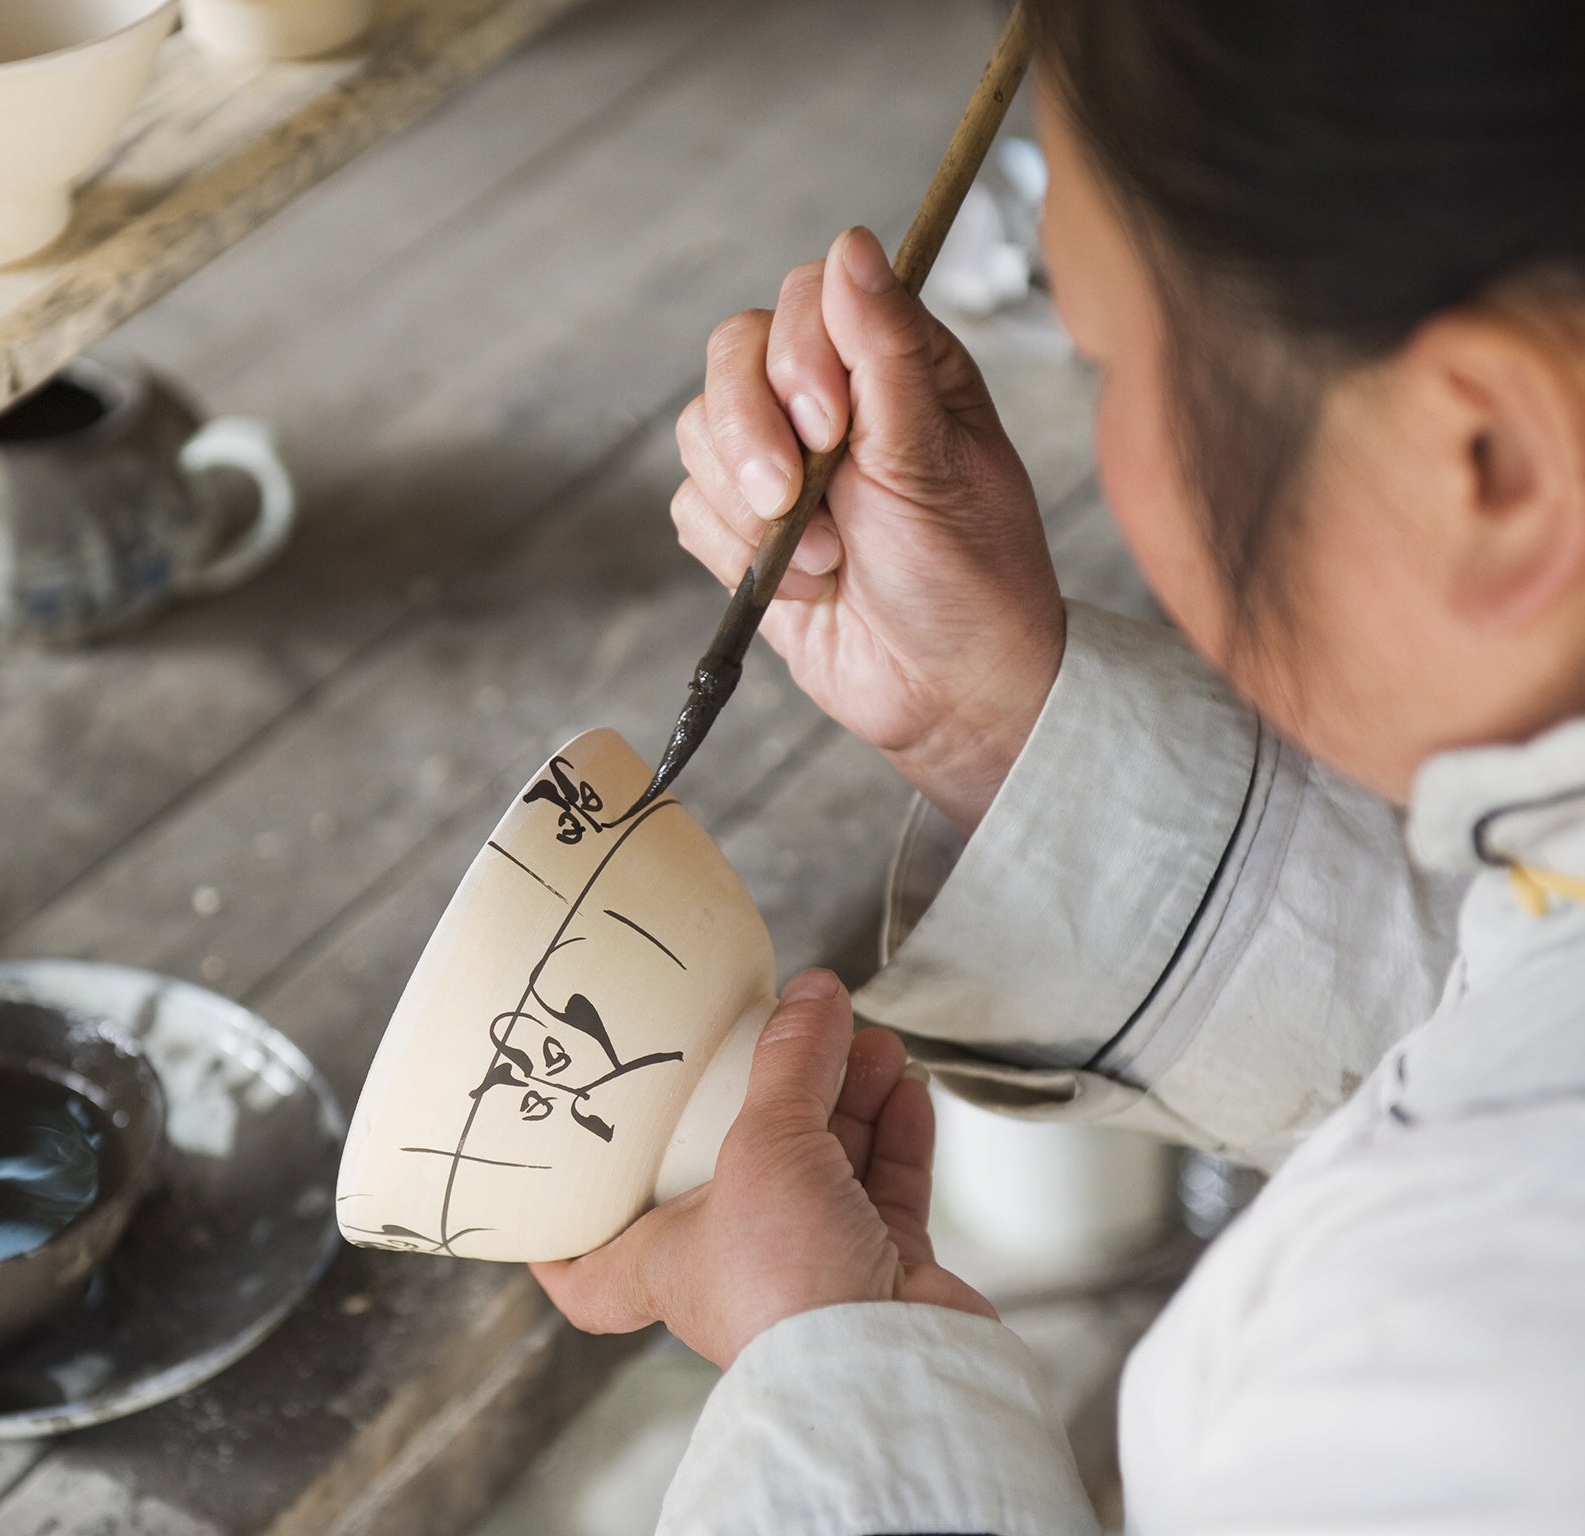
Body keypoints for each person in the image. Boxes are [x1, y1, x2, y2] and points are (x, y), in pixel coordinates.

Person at [528, 1, 1585, 1530]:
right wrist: (991, 721)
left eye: (1104, 358)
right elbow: (1513, 1009)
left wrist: (834, 1394)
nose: (1107, 421)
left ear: (1486, 467)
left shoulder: (1454, 1380)